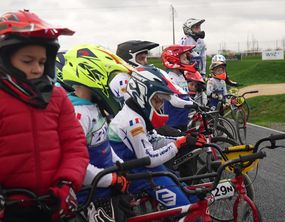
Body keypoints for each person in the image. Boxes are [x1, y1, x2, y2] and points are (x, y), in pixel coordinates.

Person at [0, 10, 89, 222]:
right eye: (28, 61)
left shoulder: (57, 97)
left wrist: (68, 183)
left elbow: (75, 145)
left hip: (52, 202)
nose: (37, 69)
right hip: (10, 208)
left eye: (41, 62)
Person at [108, 66, 206, 209]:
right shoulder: (132, 121)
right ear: (143, 95)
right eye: (158, 101)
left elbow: (155, 140)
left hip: (145, 171)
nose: (160, 105)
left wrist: (185, 140)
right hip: (138, 175)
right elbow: (150, 158)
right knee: (187, 209)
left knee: (192, 196)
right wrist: (178, 144)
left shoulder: (136, 113)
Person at [61, 44, 130, 221]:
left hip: (103, 186)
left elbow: (103, 142)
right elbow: (76, 166)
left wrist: (119, 164)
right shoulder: (78, 113)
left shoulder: (92, 106)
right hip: (90, 195)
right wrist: (111, 179)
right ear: (92, 74)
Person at [161, 44, 196, 131]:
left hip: (182, 119)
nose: (187, 61)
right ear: (174, 60)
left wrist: (197, 104)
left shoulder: (181, 76)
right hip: (173, 122)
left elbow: (186, 96)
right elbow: (175, 101)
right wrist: (193, 105)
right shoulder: (170, 78)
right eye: (184, 59)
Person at [112, 40, 159, 104]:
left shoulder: (135, 77)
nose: (145, 62)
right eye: (141, 59)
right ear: (128, 60)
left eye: (145, 58)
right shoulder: (123, 81)